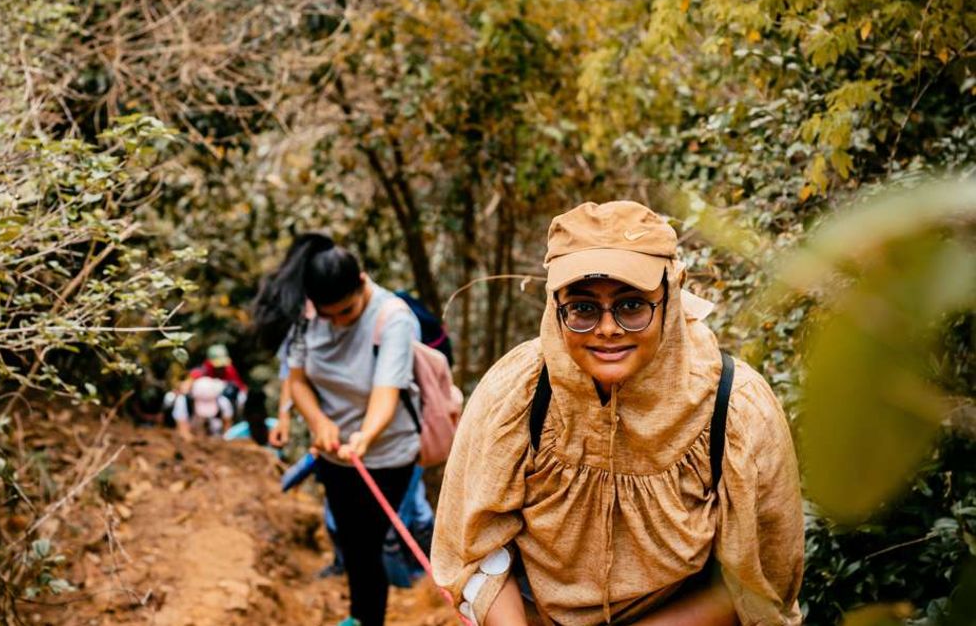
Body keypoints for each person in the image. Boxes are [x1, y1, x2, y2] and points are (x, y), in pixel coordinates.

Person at [431, 201, 803, 625]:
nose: (608, 329)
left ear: (671, 297)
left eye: (631, 306)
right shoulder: (518, 392)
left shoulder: (735, 406)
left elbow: (759, 581)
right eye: (584, 309)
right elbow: (473, 545)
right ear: (557, 309)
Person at [252, 233, 422, 626]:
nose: (337, 323)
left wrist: (365, 435)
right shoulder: (306, 314)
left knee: (366, 543)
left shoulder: (392, 317)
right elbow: (296, 379)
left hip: (385, 452)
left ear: (362, 282)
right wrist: (319, 422)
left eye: (346, 312)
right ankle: (358, 616)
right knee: (350, 539)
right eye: (329, 316)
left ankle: (365, 618)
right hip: (333, 453)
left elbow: (387, 391)